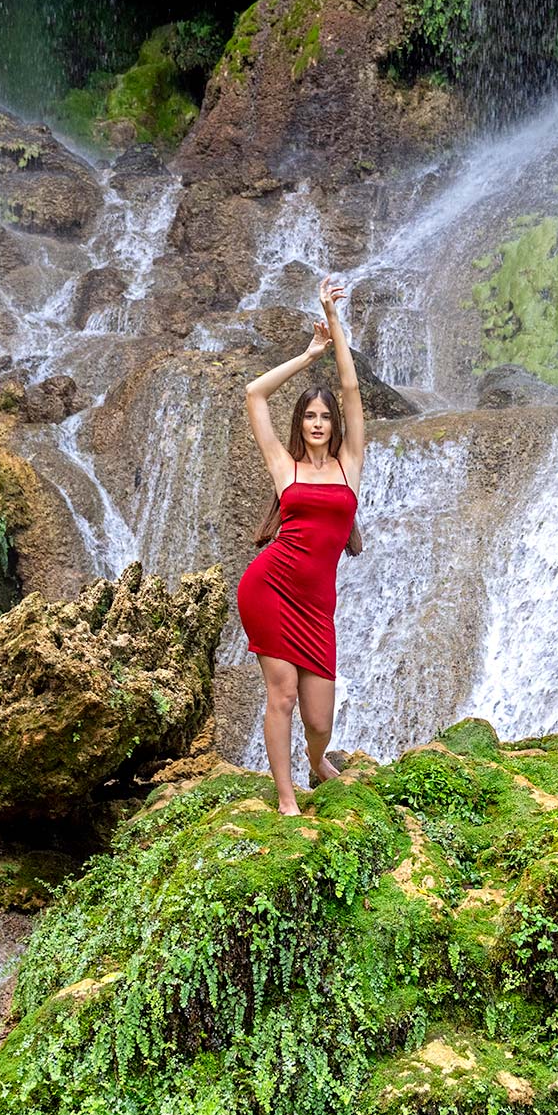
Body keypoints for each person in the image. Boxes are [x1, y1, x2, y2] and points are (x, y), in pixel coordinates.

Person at [237, 276, 365, 816]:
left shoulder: (349, 465)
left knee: (319, 721)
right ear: (301, 423)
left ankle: (316, 763)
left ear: (335, 425)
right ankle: (286, 798)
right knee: (281, 695)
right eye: (309, 416)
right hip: (268, 586)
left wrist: (332, 325)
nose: (317, 423)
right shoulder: (283, 467)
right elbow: (254, 393)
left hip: (317, 607)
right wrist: (306, 352)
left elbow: (352, 389)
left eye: (324, 417)